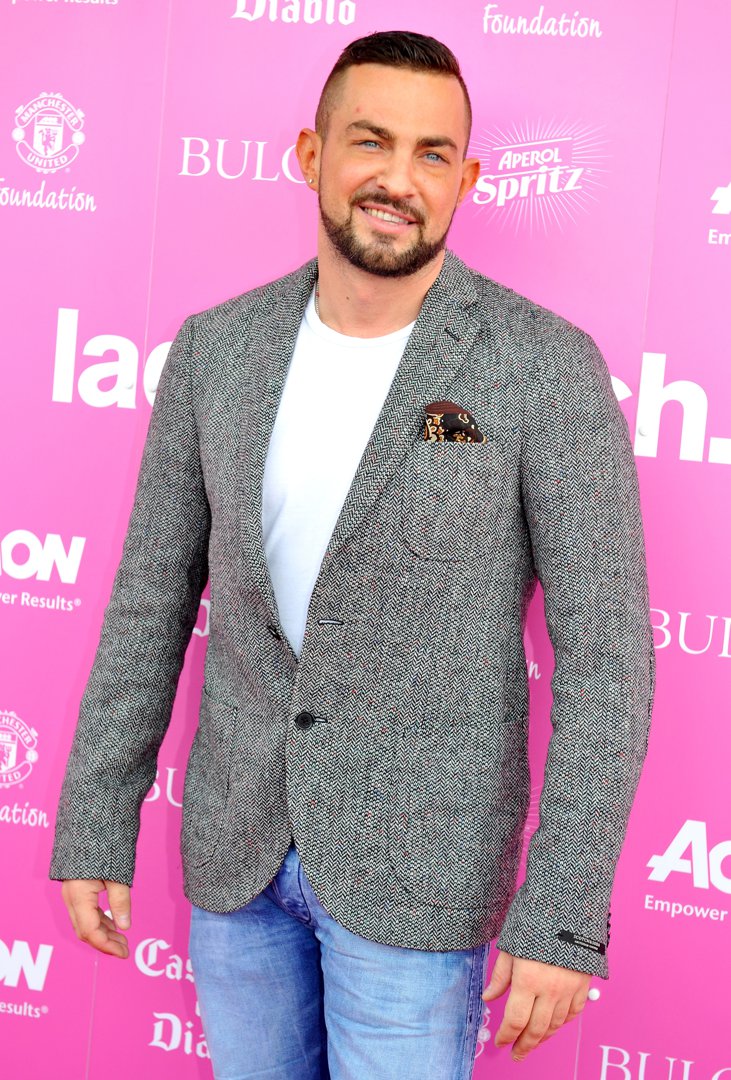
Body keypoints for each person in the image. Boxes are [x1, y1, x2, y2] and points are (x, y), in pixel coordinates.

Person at [50, 29, 656, 1080]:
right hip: (237, 863)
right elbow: (149, 604)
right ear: (311, 152)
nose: (398, 178)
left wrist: (559, 911)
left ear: (463, 178)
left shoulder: (542, 367)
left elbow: (604, 657)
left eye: (432, 154)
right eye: (369, 141)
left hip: (421, 878)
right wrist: (95, 825)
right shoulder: (215, 350)